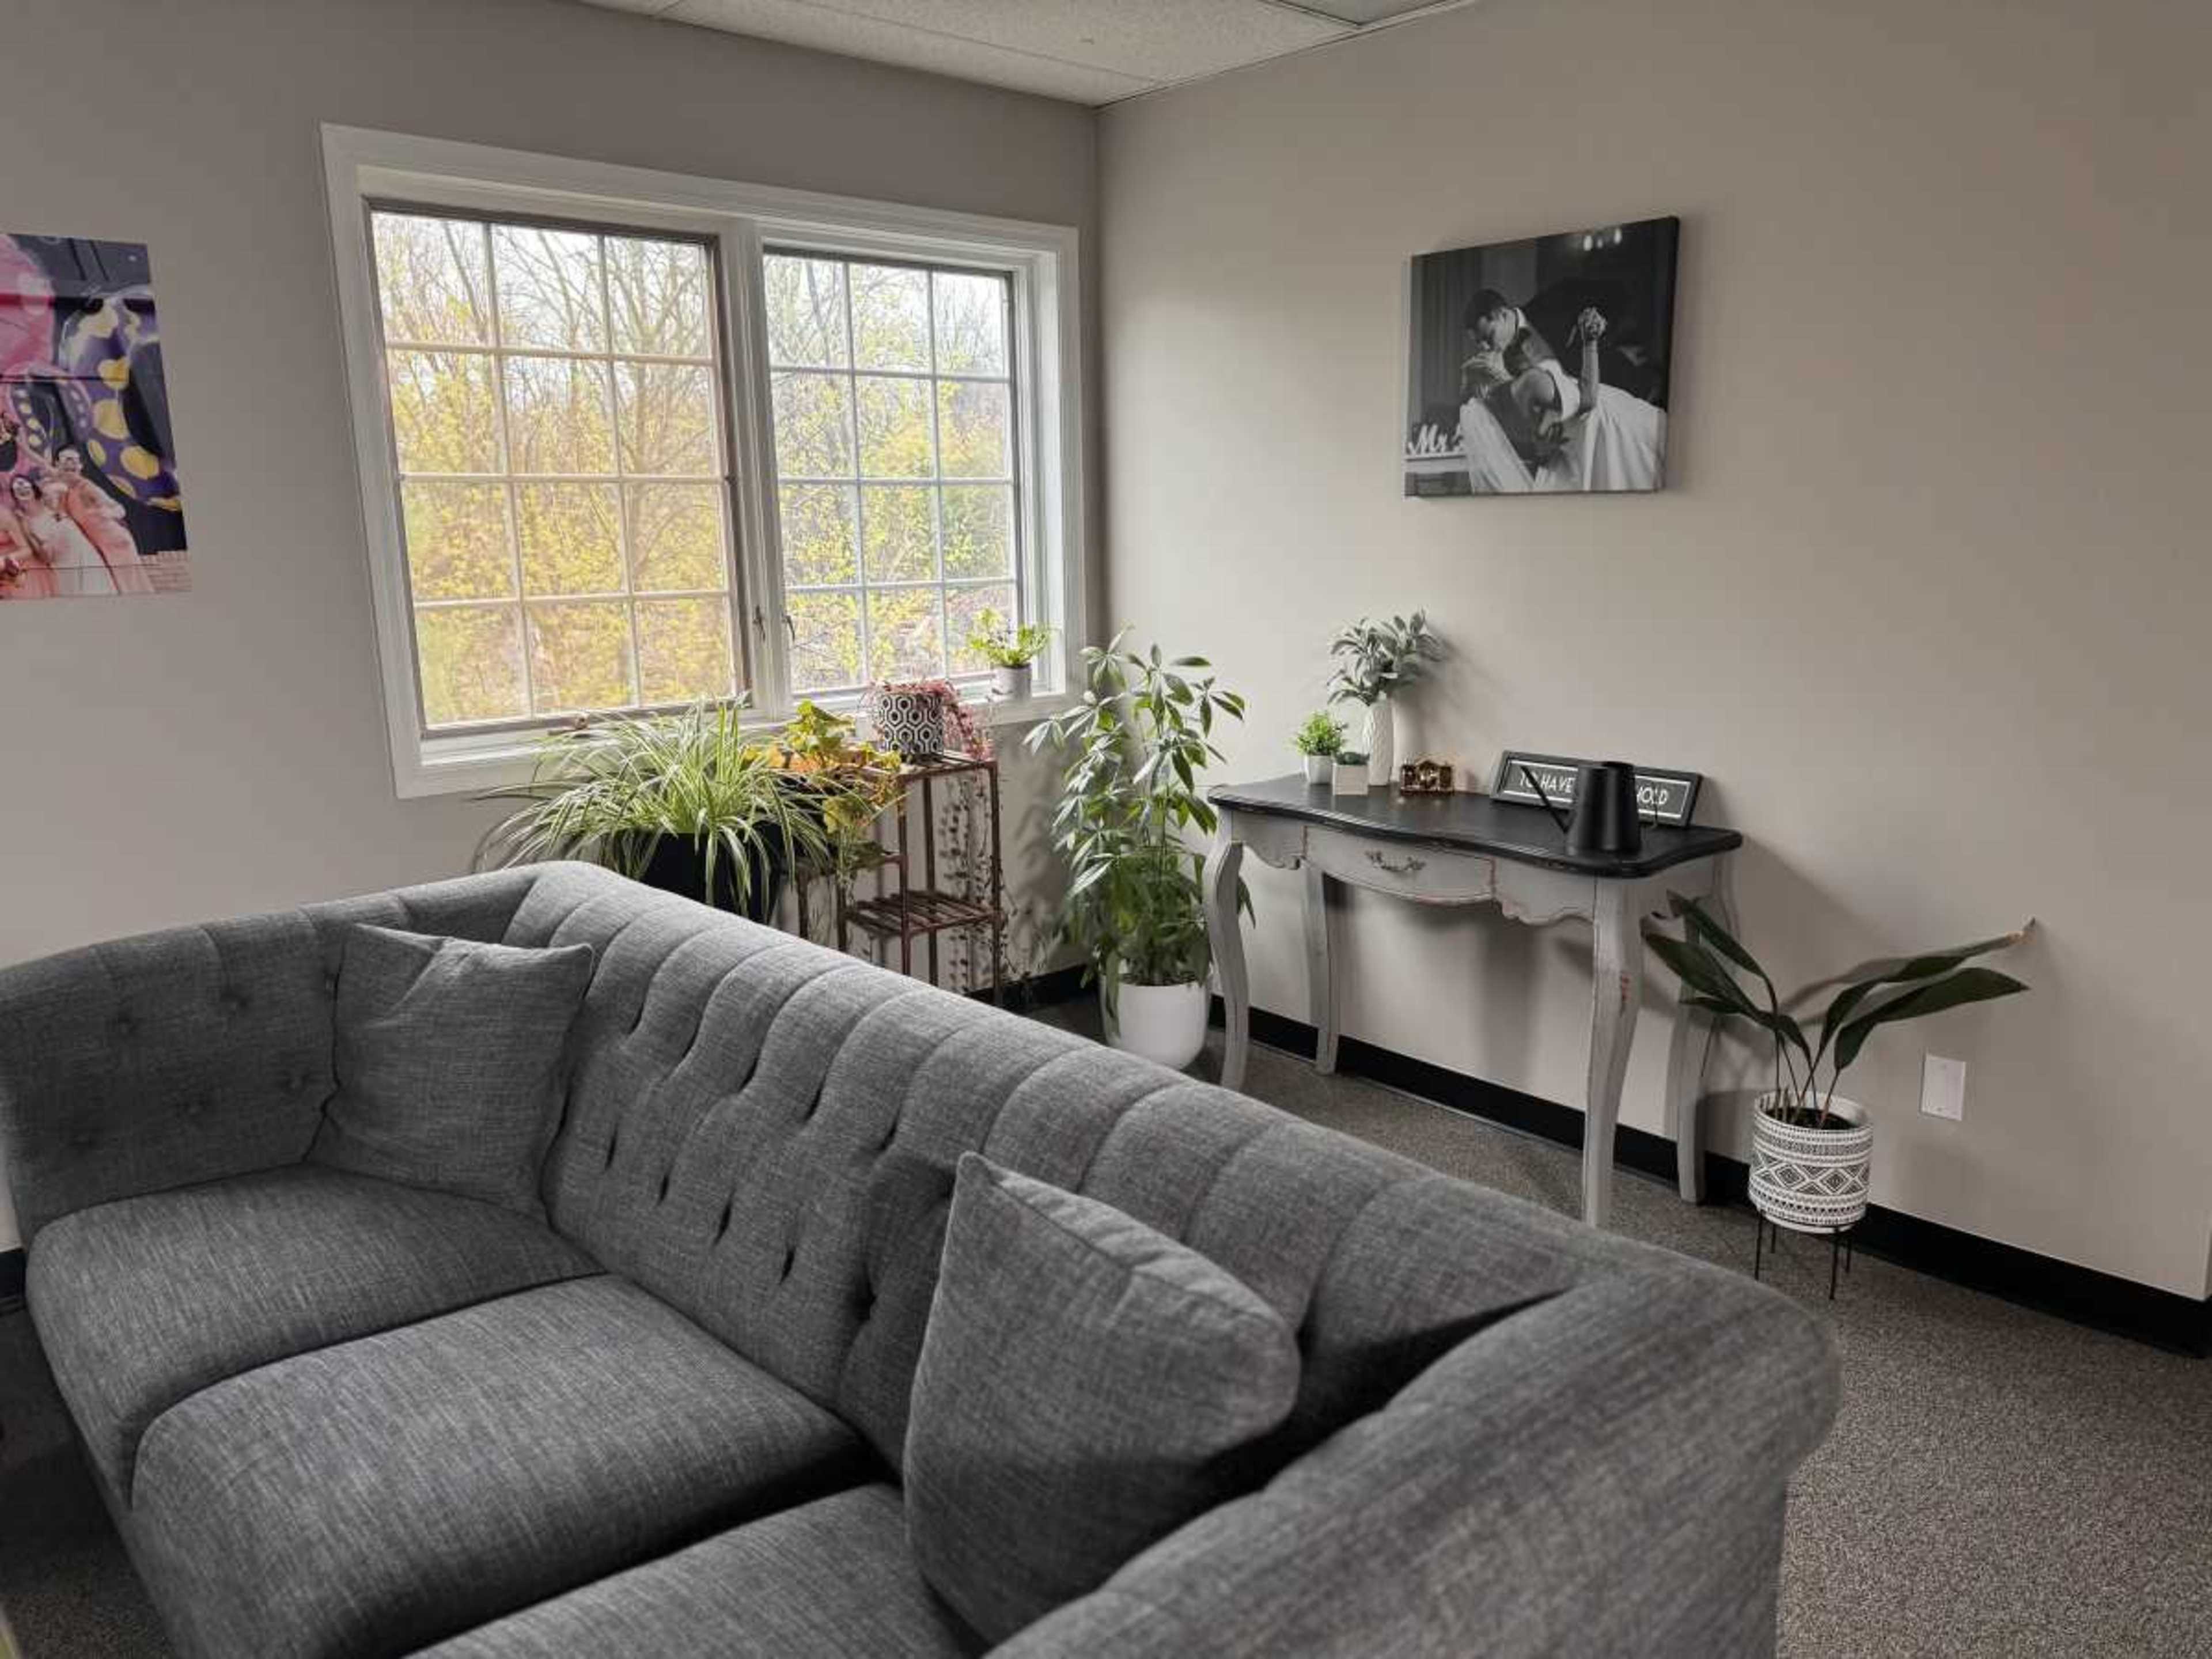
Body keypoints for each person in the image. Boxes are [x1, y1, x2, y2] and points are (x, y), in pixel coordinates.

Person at [1500, 307, 1667, 492]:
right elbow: (1586, 401)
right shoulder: (1534, 384)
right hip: (1594, 424)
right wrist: (1590, 344)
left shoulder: (1536, 382)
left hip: (1602, 413)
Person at [52, 445, 152, 591]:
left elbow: (120, 509)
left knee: (131, 588)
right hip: (99, 547)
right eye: (66, 459)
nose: (70, 464)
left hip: (116, 543)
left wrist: (107, 514)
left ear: (81, 466)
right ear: (57, 465)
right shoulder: (66, 491)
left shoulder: (87, 488)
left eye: (74, 461)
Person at [10, 471, 115, 596]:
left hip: (85, 557)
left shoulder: (52, 500)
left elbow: (61, 480)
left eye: (25, 485)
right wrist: (26, 528)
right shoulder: (25, 523)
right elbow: (45, 558)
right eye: (17, 488)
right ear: (14, 495)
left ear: (33, 487)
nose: (22, 489)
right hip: (63, 569)